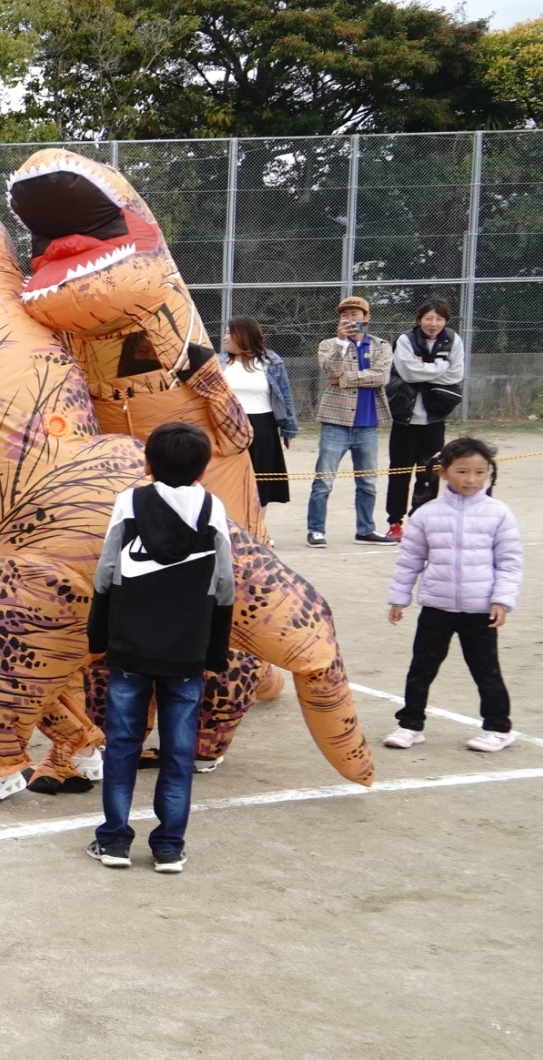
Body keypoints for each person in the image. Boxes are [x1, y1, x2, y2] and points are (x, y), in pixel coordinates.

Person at [86, 422, 234, 874]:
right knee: (179, 752)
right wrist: (215, 650)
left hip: (131, 646)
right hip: (187, 650)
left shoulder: (129, 502)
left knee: (122, 746)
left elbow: (106, 572)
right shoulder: (212, 507)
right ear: (203, 469)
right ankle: (169, 846)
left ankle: (114, 841)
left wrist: (98, 637)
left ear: (147, 463)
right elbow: (225, 584)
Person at [382, 438, 522, 753]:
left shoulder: (498, 513)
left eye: (480, 472)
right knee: (421, 668)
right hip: (437, 608)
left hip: (480, 610)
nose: (471, 479)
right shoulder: (426, 514)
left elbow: (509, 563)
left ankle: (498, 728)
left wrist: (501, 600)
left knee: (486, 671)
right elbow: (410, 560)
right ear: (443, 472)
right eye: (462, 471)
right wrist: (399, 598)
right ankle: (410, 725)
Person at [307, 296, 394, 548]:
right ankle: (316, 530)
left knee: (368, 482)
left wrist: (345, 379)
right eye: (345, 314)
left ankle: (365, 530)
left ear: (367, 318)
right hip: (335, 422)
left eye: (355, 314)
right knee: (324, 480)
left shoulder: (381, 345)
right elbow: (330, 371)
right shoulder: (328, 344)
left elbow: (381, 376)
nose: (349, 318)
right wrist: (341, 343)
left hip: (367, 424)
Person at [385, 300, 467, 536]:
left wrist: (425, 368)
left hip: (434, 420)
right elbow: (408, 373)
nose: (434, 323)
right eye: (429, 318)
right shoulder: (405, 340)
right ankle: (395, 522)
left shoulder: (453, 340)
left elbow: (456, 375)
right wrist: (441, 366)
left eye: (439, 319)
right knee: (399, 473)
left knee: (429, 473)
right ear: (419, 319)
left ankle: (421, 522)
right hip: (404, 420)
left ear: (446, 321)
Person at [219, 317, 297, 507]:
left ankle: (258, 525)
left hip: (263, 428)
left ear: (243, 335)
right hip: (228, 427)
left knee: (261, 485)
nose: (224, 337)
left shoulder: (271, 361)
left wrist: (288, 429)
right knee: (230, 482)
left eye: (229, 333)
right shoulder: (219, 361)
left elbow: (285, 395)